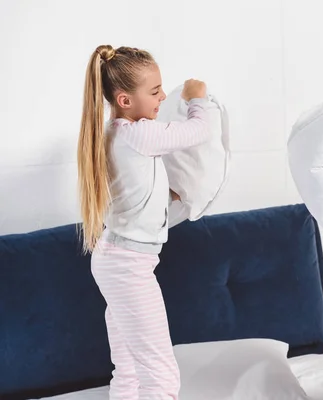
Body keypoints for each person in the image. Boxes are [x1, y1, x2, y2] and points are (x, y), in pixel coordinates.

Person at [77, 44, 214, 399]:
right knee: (161, 377)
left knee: (129, 371)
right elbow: (197, 131)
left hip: (115, 260)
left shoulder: (113, 135)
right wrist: (197, 99)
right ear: (124, 100)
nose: (163, 96)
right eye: (154, 92)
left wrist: (170, 198)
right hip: (128, 267)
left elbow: (134, 190)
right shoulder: (140, 134)